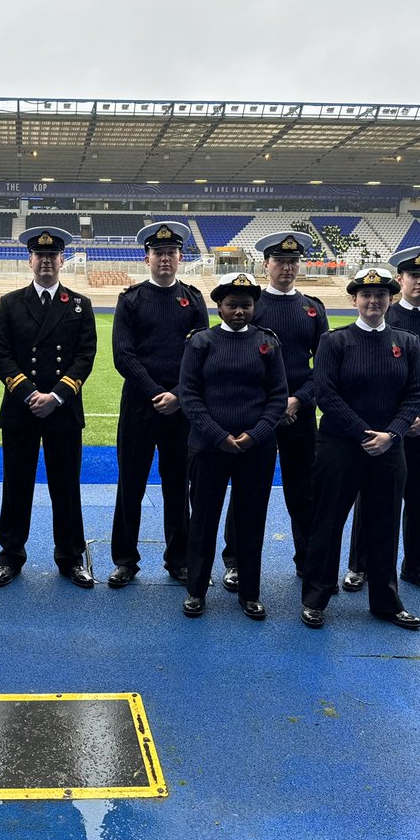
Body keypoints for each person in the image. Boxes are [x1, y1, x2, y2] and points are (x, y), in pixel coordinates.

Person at [300, 266, 420, 631]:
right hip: (340, 446)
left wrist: (391, 434)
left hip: (389, 449)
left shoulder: (407, 342)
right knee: (328, 523)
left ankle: (385, 602)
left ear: (390, 299)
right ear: (355, 300)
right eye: (367, 295)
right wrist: (363, 433)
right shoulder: (334, 341)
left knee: (384, 526)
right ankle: (315, 598)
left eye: (381, 295)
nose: (374, 301)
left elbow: (416, 393)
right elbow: (326, 393)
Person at [344, 246, 420, 595]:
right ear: (401, 279)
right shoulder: (384, 315)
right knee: (371, 494)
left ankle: (417, 567)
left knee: (418, 494)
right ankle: (360, 565)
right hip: (383, 423)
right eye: (415, 276)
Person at [0, 226, 98, 589]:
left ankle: (71, 558)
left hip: (63, 411)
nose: (47, 261)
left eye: (53, 256)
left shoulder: (80, 304)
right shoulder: (10, 302)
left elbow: (85, 356)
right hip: (22, 409)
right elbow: (0, 355)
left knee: (65, 488)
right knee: (15, 486)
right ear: (30, 260)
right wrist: (30, 393)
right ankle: (10, 557)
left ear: (62, 260)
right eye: (41, 256)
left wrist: (57, 396)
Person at [221, 230, 329, 590]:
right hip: (256, 415)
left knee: (305, 490)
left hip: (299, 413)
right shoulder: (251, 305)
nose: (287, 267)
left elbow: (324, 368)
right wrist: (271, 406)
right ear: (265, 265)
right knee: (247, 491)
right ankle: (235, 561)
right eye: (280, 261)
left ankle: (308, 560)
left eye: (293, 261)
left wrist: (297, 399)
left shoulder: (312, 308)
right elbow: (238, 358)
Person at [179, 273, 288, 618]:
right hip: (209, 448)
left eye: (246, 305)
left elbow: (278, 397)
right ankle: (196, 590)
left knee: (251, 521)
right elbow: (189, 396)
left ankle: (249, 593)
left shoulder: (268, 343)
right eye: (232, 305)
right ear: (219, 307)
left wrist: (254, 435)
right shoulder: (201, 342)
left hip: (255, 450)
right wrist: (218, 436)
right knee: (204, 521)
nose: (239, 311)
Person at [108, 221, 208, 588]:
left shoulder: (194, 299)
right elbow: (123, 355)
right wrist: (156, 393)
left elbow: (201, 353)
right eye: (158, 253)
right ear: (147, 257)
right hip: (139, 405)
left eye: (171, 253)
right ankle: (124, 560)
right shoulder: (131, 299)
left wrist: (179, 395)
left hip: (181, 410)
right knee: (130, 484)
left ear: (180, 257)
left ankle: (178, 559)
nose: (164, 259)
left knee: (177, 486)